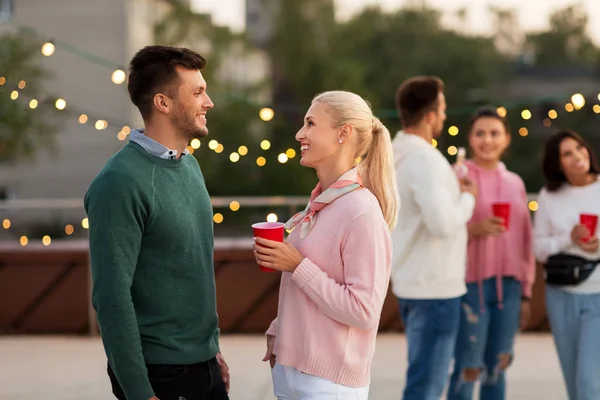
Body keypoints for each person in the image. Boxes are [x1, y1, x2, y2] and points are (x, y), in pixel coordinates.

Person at [84, 45, 230, 400]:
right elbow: (111, 296)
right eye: (197, 92)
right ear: (163, 103)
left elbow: (186, 270)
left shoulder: (189, 166)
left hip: (203, 365)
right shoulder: (119, 182)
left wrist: (211, 351)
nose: (208, 102)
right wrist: (138, 390)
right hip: (159, 377)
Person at [253, 90, 399, 399]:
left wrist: (298, 265)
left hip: (328, 385)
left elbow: (363, 311)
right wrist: (279, 331)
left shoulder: (361, 212)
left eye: (310, 124)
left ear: (343, 133)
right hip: (291, 374)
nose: (299, 134)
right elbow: (308, 292)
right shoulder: (320, 205)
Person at [390, 76, 477, 400]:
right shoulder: (424, 159)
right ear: (429, 116)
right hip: (434, 288)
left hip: (412, 280)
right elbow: (441, 224)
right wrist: (468, 198)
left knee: (422, 377)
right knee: (426, 385)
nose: (444, 116)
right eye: (441, 109)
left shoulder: (396, 155)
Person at [447, 107, 535, 400]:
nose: (488, 140)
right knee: (468, 366)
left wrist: (525, 290)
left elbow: (525, 240)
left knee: (499, 365)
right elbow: (443, 229)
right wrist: (475, 229)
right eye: (480, 133)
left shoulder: (515, 183)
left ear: (507, 138)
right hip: (469, 286)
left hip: (509, 288)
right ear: (471, 139)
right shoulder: (458, 177)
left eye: (495, 133)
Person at [533, 130, 600, 400]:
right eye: (566, 154)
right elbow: (539, 249)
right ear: (557, 163)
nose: (576, 156)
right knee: (574, 383)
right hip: (560, 297)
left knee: (588, 381)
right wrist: (567, 238)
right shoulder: (549, 197)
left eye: (579, 148)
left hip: (597, 295)